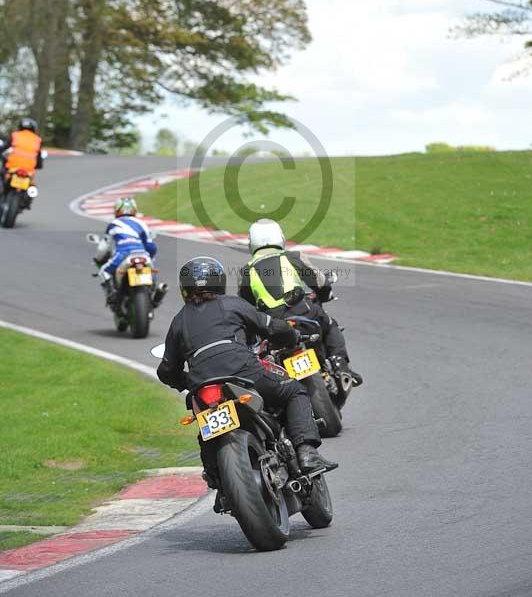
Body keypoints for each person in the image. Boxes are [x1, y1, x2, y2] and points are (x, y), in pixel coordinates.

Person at [157, 256, 337, 479]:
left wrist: (188, 382)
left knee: (204, 426)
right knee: (294, 391)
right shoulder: (232, 303)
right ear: (219, 281)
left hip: (202, 386)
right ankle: (307, 452)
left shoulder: (178, 321)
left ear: (184, 288)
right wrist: (291, 335)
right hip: (243, 371)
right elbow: (269, 326)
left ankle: (215, 477)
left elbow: (166, 370)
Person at [238, 218, 362, 387]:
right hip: (303, 311)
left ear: (251, 243)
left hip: (273, 326)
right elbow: (319, 282)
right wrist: (325, 293)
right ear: (280, 237)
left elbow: (245, 308)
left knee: (264, 356)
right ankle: (341, 366)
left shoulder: (246, 271)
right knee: (330, 324)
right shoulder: (293, 257)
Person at [94, 196, 167, 309]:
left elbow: (103, 248)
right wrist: (150, 257)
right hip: (142, 254)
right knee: (152, 269)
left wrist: (98, 259)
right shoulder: (141, 223)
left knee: (104, 271)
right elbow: (151, 247)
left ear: (117, 210)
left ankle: (112, 294)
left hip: (123, 254)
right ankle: (157, 292)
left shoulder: (113, 224)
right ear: (134, 209)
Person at [0, 118, 43, 194]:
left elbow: (4, 148)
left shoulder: (15, 135)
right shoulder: (37, 140)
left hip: (12, 167)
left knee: (3, 177)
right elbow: (38, 157)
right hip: (28, 171)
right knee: (31, 187)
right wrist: (39, 165)